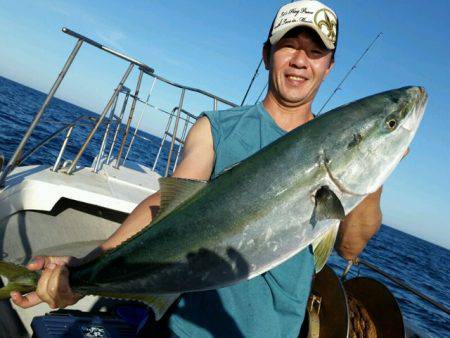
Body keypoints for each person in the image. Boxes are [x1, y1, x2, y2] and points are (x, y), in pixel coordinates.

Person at [12, 1, 385, 337]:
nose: (300, 61)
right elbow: (168, 202)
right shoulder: (217, 128)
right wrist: (87, 267)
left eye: (315, 51)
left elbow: (350, 245)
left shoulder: (338, 148)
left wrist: (375, 161)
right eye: (289, 46)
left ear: (329, 65)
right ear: (267, 54)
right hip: (187, 330)